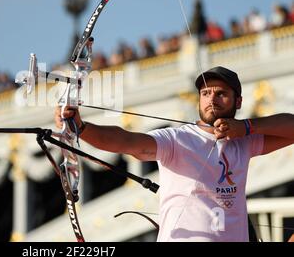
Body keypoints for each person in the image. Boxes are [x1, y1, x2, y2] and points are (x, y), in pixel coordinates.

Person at [54, 66, 294, 242]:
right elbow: (126, 141)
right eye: (206, 93)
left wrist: (247, 127)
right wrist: (82, 128)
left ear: (238, 101)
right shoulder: (177, 140)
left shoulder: (244, 142)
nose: (212, 99)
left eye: (221, 93)